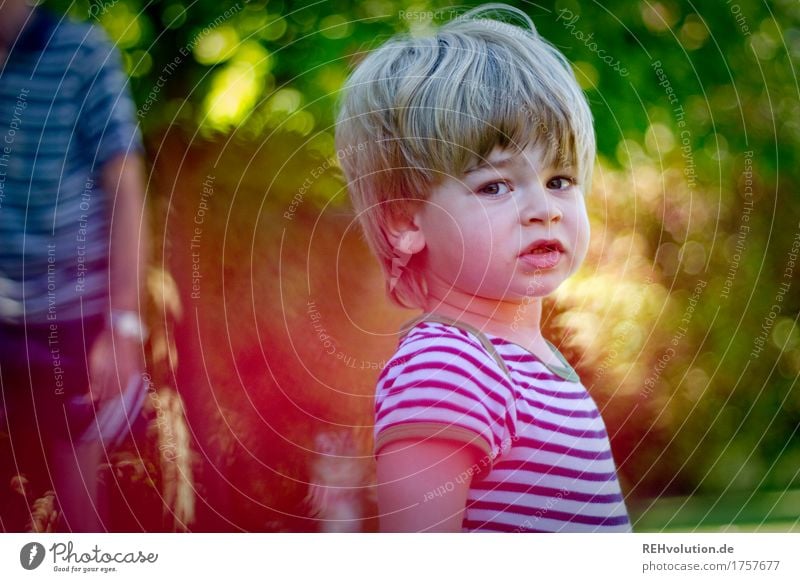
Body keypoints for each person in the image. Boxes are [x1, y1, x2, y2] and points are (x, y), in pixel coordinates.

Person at [335, 4, 632, 532]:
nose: (545, 207)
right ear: (407, 220)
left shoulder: (530, 364)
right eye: (495, 186)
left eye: (560, 178)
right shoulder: (451, 365)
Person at [0, 1, 147, 531]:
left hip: (69, 318)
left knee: (79, 512)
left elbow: (125, 183)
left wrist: (124, 319)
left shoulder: (84, 54)